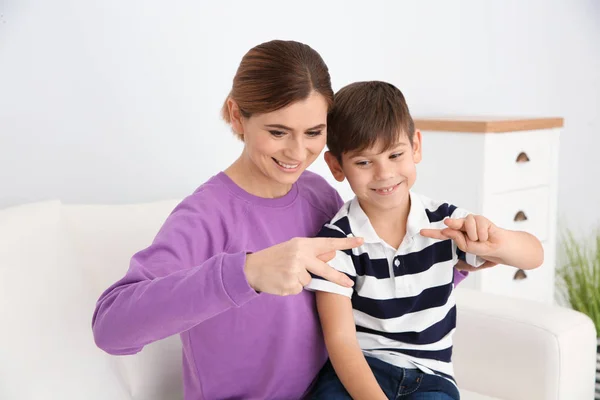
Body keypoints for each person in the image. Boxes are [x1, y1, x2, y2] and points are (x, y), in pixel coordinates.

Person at [92, 40, 473, 400]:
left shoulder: (318, 194)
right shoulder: (205, 215)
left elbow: (362, 287)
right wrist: (247, 272)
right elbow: (111, 329)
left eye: (313, 133)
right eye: (278, 132)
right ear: (236, 115)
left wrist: (454, 260)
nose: (297, 152)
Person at [306, 81, 544, 400]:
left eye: (395, 155)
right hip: (359, 372)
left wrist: (496, 242)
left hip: (430, 377)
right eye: (364, 162)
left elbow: (533, 256)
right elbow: (341, 343)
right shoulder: (336, 240)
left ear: (416, 146)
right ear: (337, 166)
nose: (384, 173)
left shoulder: (446, 224)